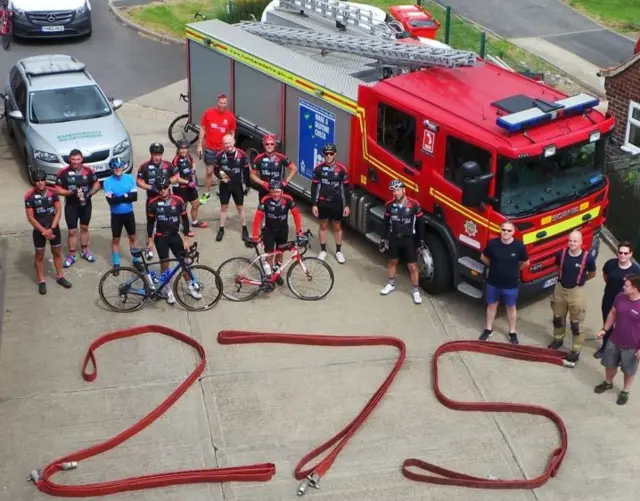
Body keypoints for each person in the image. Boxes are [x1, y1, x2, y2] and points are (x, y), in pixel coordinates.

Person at [147, 176, 201, 305]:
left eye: (165, 187)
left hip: (175, 236)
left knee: (184, 263)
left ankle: (189, 286)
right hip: (161, 238)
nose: (162, 190)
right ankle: (168, 290)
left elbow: (185, 220)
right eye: (159, 188)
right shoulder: (152, 203)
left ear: (169, 186)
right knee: (164, 265)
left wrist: (186, 239)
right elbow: (150, 223)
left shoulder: (178, 201)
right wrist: (150, 241)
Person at [548, 230, 596, 363]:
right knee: (558, 318)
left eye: (575, 241)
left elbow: (592, 273)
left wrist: (581, 281)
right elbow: (558, 266)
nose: (572, 243)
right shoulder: (561, 254)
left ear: (581, 242)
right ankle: (558, 340)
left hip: (576, 292)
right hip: (560, 289)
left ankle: (576, 349)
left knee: (576, 324)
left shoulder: (588, 258)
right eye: (570, 240)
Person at [478, 221, 529, 344]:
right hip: (493, 282)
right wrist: (494, 267)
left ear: (513, 232)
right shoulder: (493, 244)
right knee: (491, 305)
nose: (506, 232)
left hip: (511, 284)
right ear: (500, 230)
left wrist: (514, 271)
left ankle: (512, 332)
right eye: (503, 230)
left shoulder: (519, 246)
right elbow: (483, 257)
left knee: (511, 307)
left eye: (509, 230)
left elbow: (526, 262)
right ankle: (488, 329)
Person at [594, 276, 640, 405]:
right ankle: (608, 383)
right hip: (614, 340)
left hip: (632, 345)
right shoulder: (620, 296)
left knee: (628, 370)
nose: (623, 287)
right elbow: (613, 313)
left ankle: (625, 391)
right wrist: (605, 329)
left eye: (626, 285)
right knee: (609, 364)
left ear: (635, 289)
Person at [24, 169, 72, 294]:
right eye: (37, 181)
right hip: (39, 230)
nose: (40, 183)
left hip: (53, 228)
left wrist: (51, 228)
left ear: (45, 180)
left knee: (57, 253)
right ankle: (41, 281)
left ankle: (60, 276)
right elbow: (30, 217)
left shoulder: (53, 193)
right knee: (39, 256)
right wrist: (44, 231)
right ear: (34, 182)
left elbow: (58, 211)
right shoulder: (29, 196)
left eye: (42, 180)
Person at [378, 179, 424, 305]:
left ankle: (415, 291)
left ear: (404, 190)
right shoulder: (389, 205)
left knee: (412, 266)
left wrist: (420, 240)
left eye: (398, 190)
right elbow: (385, 223)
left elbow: (420, 224)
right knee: (392, 261)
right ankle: (391, 284)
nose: (395, 193)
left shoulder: (414, 205)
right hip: (394, 237)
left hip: (409, 238)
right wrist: (383, 238)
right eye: (393, 191)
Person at [251, 180, 304, 285]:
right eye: (272, 192)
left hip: (282, 231)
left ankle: (277, 274)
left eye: (277, 191)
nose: (275, 194)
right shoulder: (265, 200)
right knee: (269, 255)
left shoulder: (288, 199)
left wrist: (299, 232)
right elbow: (257, 218)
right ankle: (268, 276)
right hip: (268, 231)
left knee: (280, 254)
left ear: (282, 191)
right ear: (269, 192)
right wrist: (255, 235)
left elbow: (296, 215)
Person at [55, 148, 101, 267]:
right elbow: (57, 189)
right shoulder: (63, 172)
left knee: (84, 228)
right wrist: (69, 193)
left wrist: (89, 194)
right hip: (71, 205)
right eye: (73, 159)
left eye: (78, 159)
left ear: (82, 159)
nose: (75, 162)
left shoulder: (88, 170)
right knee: (72, 231)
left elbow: (97, 184)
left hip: (86, 204)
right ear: (69, 159)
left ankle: (85, 251)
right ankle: (72, 255)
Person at [594, 241, 640, 359]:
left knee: (623, 326)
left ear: (630, 254)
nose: (623, 255)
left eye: (626, 253)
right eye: (620, 252)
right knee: (607, 323)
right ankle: (605, 346)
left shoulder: (636, 271)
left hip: (627, 303)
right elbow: (606, 276)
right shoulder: (610, 264)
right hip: (609, 299)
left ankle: (620, 352)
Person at [137, 142, 179, 259]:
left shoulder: (168, 165)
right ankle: (149, 247)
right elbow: (139, 181)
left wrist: (168, 182)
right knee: (150, 224)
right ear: (151, 154)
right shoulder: (144, 166)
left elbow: (176, 176)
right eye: (155, 154)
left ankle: (169, 243)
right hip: (152, 200)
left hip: (167, 199)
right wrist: (151, 187)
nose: (157, 157)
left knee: (166, 223)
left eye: (159, 154)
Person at [310, 143, 350, 264]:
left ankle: (338, 251)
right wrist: (314, 204)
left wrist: (347, 205)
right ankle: (323, 251)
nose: (328, 156)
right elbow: (314, 187)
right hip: (323, 202)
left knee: (337, 227)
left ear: (335, 154)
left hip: (336, 203)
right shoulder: (318, 169)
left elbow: (346, 189)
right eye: (326, 154)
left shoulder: (342, 169)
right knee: (323, 226)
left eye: (331, 153)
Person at [103, 158, 141, 273]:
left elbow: (134, 197)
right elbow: (111, 202)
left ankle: (136, 260)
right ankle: (116, 263)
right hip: (116, 215)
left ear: (123, 167)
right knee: (116, 239)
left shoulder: (129, 179)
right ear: (112, 169)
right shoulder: (107, 182)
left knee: (132, 237)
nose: (118, 169)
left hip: (128, 213)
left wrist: (118, 197)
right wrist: (125, 195)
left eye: (119, 167)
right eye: (115, 168)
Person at [197, 93, 236, 205]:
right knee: (209, 171)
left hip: (223, 149)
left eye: (224, 103)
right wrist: (199, 145)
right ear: (217, 102)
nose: (222, 105)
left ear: (227, 103)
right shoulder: (208, 113)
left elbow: (232, 131)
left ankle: (220, 190)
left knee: (222, 171)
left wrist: (231, 145)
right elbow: (203, 129)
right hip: (210, 148)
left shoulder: (230, 116)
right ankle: (206, 193)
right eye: (220, 103)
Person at [213, 133, 250, 242]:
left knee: (240, 207)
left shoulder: (242, 155)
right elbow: (215, 170)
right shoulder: (219, 155)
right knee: (224, 207)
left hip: (237, 185)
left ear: (233, 142)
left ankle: (244, 228)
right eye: (225, 143)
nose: (228, 145)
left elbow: (247, 171)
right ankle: (221, 228)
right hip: (225, 186)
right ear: (223, 144)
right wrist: (222, 177)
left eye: (229, 142)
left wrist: (247, 185)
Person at [172, 139, 207, 235]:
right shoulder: (176, 160)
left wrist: (193, 170)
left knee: (195, 205)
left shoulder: (188, 156)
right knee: (183, 209)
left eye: (185, 148)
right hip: (180, 189)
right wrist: (187, 182)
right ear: (178, 149)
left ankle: (195, 222)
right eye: (182, 149)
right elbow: (176, 178)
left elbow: (193, 162)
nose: (184, 150)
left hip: (190, 187)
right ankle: (185, 228)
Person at [250, 134, 297, 202]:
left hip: (278, 190)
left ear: (275, 145)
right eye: (267, 144)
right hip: (264, 189)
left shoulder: (281, 157)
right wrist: (262, 183)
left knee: (278, 209)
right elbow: (252, 175)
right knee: (263, 210)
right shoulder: (258, 158)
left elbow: (294, 168)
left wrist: (285, 181)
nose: (269, 146)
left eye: (272, 144)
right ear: (264, 145)